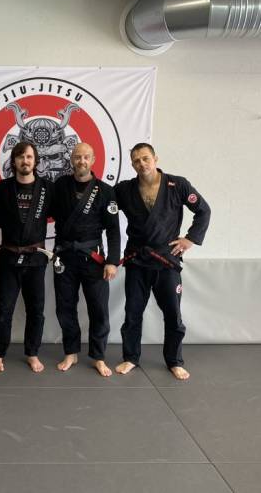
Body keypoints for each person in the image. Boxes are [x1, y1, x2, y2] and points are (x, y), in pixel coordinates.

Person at [114, 143, 210, 380]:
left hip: (166, 260)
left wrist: (190, 239)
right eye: (136, 161)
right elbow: (103, 209)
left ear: (155, 158)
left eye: (145, 158)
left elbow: (203, 211)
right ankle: (130, 358)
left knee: (173, 314)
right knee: (132, 312)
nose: (141, 164)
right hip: (137, 260)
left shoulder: (177, 185)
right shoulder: (124, 190)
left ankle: (174, 361)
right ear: (132, 164)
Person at [51, 142, 120, 377]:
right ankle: (70, 352)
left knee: (99, 309)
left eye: (86, 157)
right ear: (71, 159)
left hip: (94, 258)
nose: (81, 161)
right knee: (65, 307)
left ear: (93, 160)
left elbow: (113, 230)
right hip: (65, 256)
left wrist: (112, 261)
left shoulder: (105, 191)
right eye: (77, 157)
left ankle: (98, 356)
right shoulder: (60, 186)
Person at [0, 142, 54, 373]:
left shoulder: (47, 188)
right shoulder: (3, 187)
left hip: (36, 258)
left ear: (35, 161)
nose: (24, 161)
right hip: (9, 256)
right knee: (3, 308)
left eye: (28, 157)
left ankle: (32, 353)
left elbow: (58, 215)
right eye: (20, 157)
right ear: (14, 161)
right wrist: (15, 227)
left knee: (36, 310)